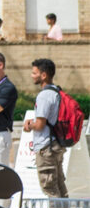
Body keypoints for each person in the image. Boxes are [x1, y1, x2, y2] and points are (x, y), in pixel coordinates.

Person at [26, 59, 67, 198]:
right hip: (56, 144)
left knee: (49, 187)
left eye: (34, 73)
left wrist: (29, 125)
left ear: (43, 75)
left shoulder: (44, 95)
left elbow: (40, 125)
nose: (32, 75)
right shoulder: (57, 91)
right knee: (60, 185)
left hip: (46, 148)